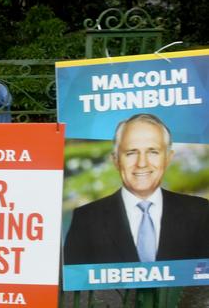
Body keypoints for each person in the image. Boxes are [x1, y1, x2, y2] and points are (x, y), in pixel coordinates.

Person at [64, 113, 209, 265]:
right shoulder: (86, 219)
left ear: (168, 158)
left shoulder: (200, 212)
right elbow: (77, 279)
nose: (141, 163)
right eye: (131, 152)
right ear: (115, 160)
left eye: (153, 152)